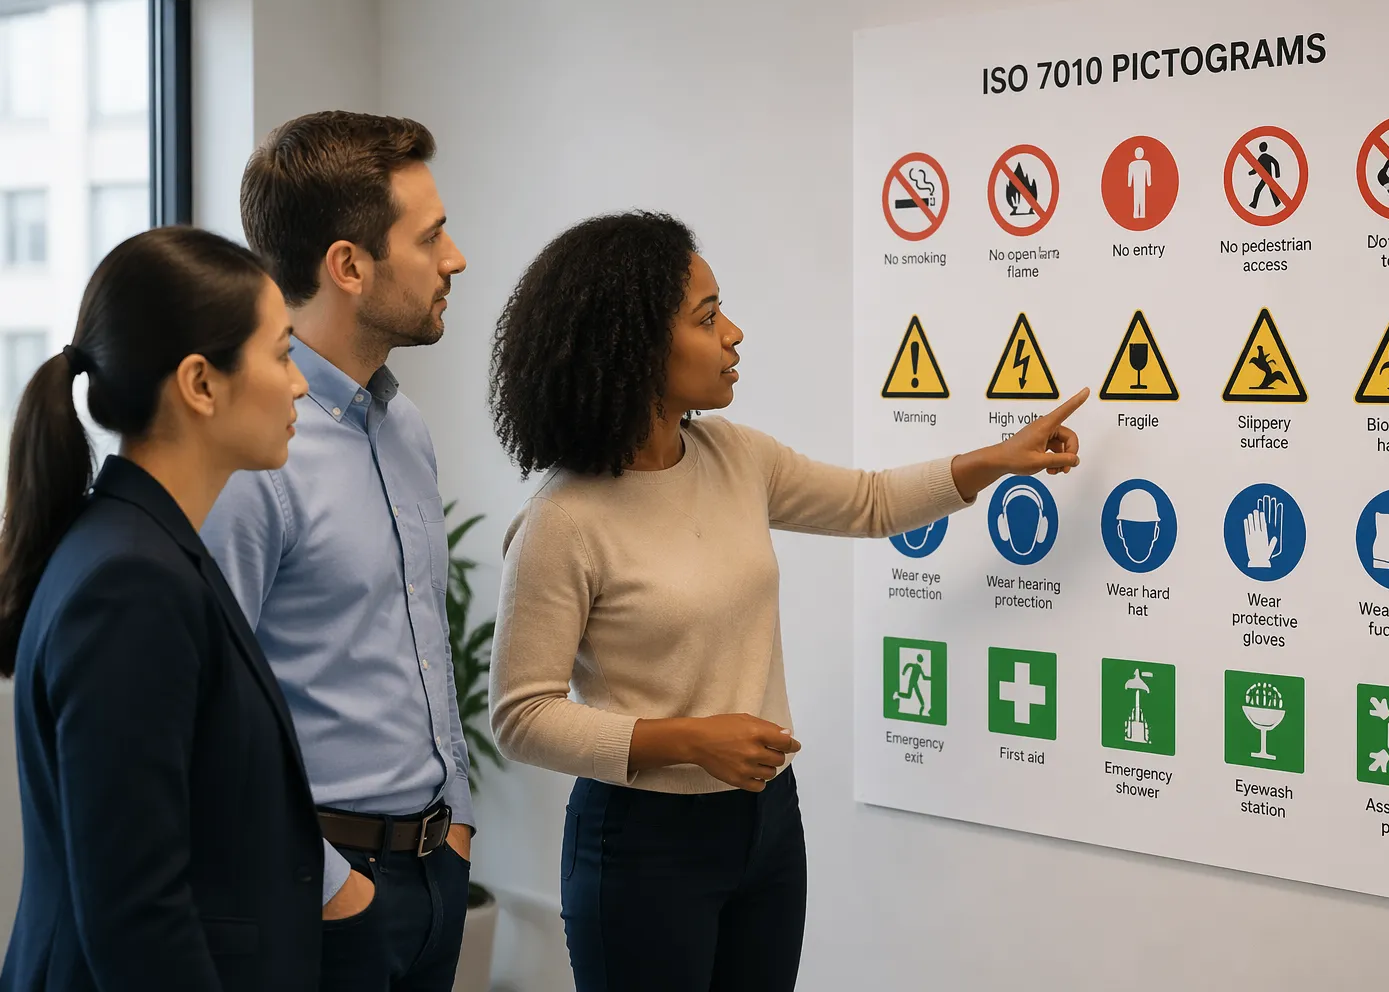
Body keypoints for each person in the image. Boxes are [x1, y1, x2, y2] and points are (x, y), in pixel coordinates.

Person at [486, 211, 1088, 992]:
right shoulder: (562, 521)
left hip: (767, 823)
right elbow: (522, 715)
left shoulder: (734, 455)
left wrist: (998, 461)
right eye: (707, 318)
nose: (733, 333)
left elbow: (870, 502)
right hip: (642, 843)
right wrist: (690, 739)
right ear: (631, 346)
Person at [0, 227, 317, 990]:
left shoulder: (140, 546)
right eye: (281, 354)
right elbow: (135, 911)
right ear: (201, 384)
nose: (300, 383)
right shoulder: (131, 582)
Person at [201, 111, 473, 991]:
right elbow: (210, 714)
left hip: (435, 874)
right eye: (430, 236)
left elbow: (421, 643)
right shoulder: (253, 459)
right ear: (349, 266)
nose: (455, 258)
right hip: (325, 892)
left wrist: (457, 823)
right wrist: (335, 890)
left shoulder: (405, 426)